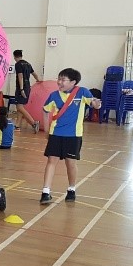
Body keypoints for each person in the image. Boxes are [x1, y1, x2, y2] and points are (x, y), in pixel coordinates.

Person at [39, 68, 102, 204]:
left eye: (63, 79)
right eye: (59, 78)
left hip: (73, 135)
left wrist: (96, 103)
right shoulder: (54, 95)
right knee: (51, 161)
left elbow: (93, 103)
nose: (59, 82)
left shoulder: (82, 92)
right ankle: (45, 192)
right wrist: (46, 130)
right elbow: (45, 111)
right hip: (56, 134)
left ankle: (71, 189)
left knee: (70, 164)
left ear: (73, 82)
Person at [13, 49, 42, 133]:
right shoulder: (28, 64)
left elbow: (20, 76)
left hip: (22, 88)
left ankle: (34, 123)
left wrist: (21, 89)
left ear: (14, 56)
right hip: (28, 87)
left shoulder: (18, 64)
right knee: (20, 106)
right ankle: (17, 126)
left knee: (19, 107)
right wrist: (39, 80)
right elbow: (34, 74)